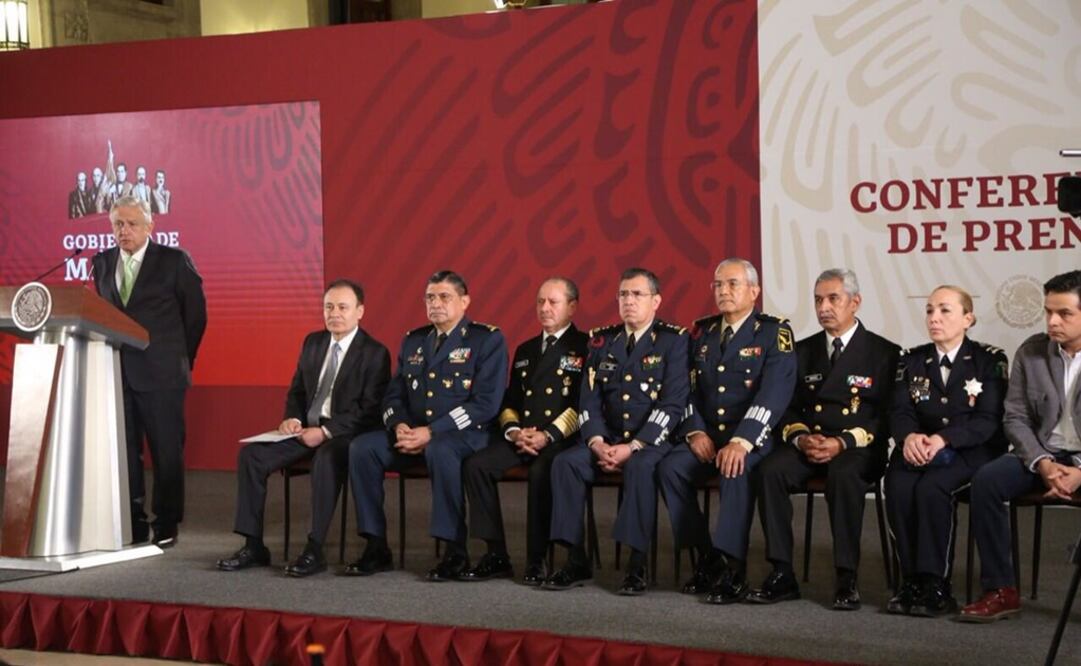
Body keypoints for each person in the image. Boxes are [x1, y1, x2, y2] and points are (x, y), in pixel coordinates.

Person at [216, 279, 390, 576]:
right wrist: (292, 417)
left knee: (324, 458)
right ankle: (253, 545)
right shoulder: (313, 342)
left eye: (342, 307)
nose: (334, 313)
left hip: (345, 435)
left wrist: (325, 432)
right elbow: (297, 390)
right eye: (328, 307)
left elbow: (370, 410)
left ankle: (315, 548)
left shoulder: (375, 352)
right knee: (252, 457)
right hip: (304, 430)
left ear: (360, 311)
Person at [749, 268, 899, 610]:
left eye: (834, 299)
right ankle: (782, 572)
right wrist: (801, 438)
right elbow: (783, 407)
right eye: (818, 300)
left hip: (858, 448)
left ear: (855, 302)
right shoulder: (801, 351)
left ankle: (847, 577)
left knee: (844, 475)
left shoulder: (883, 352)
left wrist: (843, 442)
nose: (824, 307)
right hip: (810, 443)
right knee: (769, 471)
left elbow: (886, 415)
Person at [347, 271, 507, 580]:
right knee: (362, 448)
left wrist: (433, 431)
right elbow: (394, 394)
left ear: (465, 301)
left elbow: (485, 404)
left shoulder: (486, 339)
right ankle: (375, 545)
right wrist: (399, 425)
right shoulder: (414, 340)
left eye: (444, 297)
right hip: (414, 434)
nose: (436, 304)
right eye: (430, 298)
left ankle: (453, 550)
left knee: (441, 449)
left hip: (466, 436)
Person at [543, 267, 689, 596]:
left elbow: (673, 405)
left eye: (637, 294)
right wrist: (596, 442)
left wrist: (634, 445)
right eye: (623, 294)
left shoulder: (673, 341)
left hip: (651, 442)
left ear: (656, 301)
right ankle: (575, 558)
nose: (629, 301)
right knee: (565, 463)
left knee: (639, 467)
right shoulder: (602, 341)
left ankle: (637, 565)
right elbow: (587, 401)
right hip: (606, 439)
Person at [658, 258, 796, 603]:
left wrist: (741, 441)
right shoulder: (700, 332)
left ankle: (734, 570)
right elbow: (684, 390)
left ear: (754, 290)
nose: (724, 291)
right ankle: (708, 558)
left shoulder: (774, 332)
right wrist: (694, 432)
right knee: (670, 468)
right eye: (718, 285)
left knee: (734, 469)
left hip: (751, 439)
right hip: (708, 436)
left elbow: (775, 393)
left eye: (732, 284)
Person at [960, 270, 1081, 623]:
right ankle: (1001, 590)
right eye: (1048, 312)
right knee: (987, 481)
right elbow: (1014, 418)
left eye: (1064, 314)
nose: (1053, 321)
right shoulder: (1031, 352)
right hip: (1043, 452)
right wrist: (1042, 463)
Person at [91, 195, 207, 547]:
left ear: (149, 226)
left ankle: (167, 521)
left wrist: (179, 359)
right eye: (117, 225)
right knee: (125, 451)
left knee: (166, 450)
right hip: (116, 371)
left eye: (131, 224)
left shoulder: (174, 261)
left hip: (163, 373)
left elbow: (196, 316)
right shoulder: (101, 262)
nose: (123, 231)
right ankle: (133, 520)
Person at [885, 286, 1007, 617]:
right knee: (896, 485)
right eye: (929, 310)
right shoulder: (911, 360)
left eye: (944, 310)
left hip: (971, 450)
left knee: (931, 489)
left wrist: (943, 439)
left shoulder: (988, 360)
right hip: (918, 447)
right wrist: (908, 437)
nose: (934, 318)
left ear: (968, 318)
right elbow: (900, 411)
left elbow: (988, 420)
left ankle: (936, 583)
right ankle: (910, 580)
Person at [462, 278, 589, 585]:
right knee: (476, 466)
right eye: (540, 302)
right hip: (525, 435)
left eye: (553, 302)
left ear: (572, 307)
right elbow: (511, 401)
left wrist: (548, 435)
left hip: (562, 438)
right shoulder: (526, 349)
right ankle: (496, 554)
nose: (545, 309)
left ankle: (537, 559)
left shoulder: (586, 347)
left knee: (541, 472)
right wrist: (515, 431)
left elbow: (583, 403)